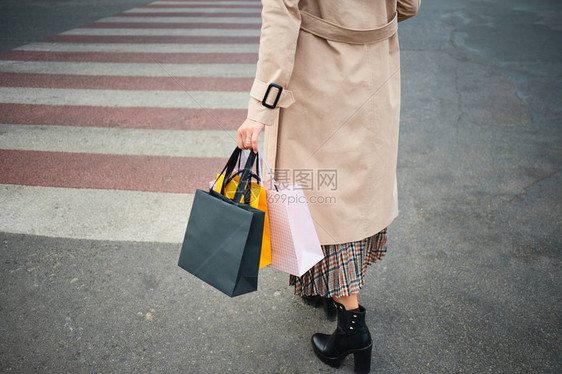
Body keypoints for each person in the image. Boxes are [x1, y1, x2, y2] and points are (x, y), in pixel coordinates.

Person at [237, 1, 420, 373]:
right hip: (376, 68)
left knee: (319, 202)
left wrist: (260, 108)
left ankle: (352, 325)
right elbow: (407, 5)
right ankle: (323, 289)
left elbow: (281, 17)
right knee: (352, 196)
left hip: (320, 75)